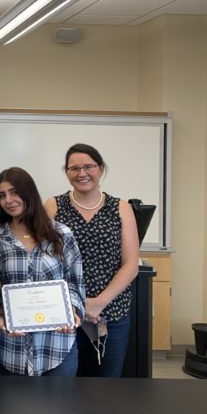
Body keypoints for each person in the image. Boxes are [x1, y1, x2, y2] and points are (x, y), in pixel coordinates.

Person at [45, 143, 139, 377]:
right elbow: (45, 263)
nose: (81, 173)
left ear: (101, 168)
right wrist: (77, 305)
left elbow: (131, 264)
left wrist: (98, 303)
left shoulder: (122, 208)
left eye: (88, 166)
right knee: (66, 389)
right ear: (66, 172)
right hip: (66, 315)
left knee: (106, 390)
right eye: (74, 168)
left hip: (111, 313)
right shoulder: (53, 206)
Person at [0, 167, 85, 377]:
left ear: (29, 193)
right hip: (12, 348)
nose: (9, 200)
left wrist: (71, 310)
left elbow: (74, 281)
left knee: (60, 409)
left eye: (15, 192)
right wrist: (0, 314)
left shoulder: (61, 234)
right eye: (2, 196)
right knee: (14, 410)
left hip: (57, 345)